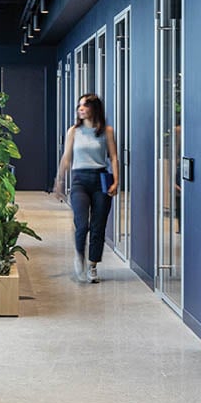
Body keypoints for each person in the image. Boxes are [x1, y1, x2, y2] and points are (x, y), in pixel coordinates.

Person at [52, 93, 120, 284]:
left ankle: (92, 266)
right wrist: (60, 180)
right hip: (79, 180)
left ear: (94, 108)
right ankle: (79, 256)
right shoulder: (73, 131)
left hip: (100, 179)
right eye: (79, 106)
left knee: (98, 226)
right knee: (82, 225)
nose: (80, 109)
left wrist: (116, 180)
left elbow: (113, 157)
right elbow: (66, 157)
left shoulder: (107, 131)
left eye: (85, 106)